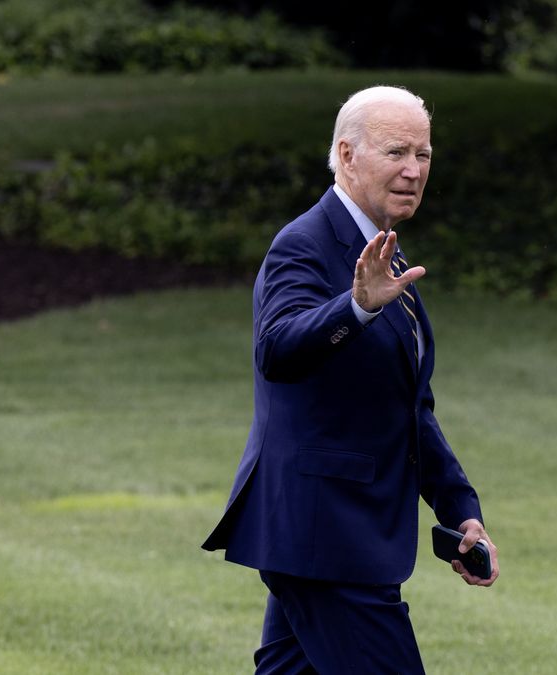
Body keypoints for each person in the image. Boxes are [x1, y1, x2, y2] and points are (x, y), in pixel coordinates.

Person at [202, 85, 499, 673]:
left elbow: (408, 406)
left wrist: (458, 507)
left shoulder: (381, 250)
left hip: (333, 537)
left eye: (424, 155)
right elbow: (278, 351)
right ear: (346, 155)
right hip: (325, 538)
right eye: (396, 153)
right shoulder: (305, 244)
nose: (414, 171)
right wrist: (355, 308)